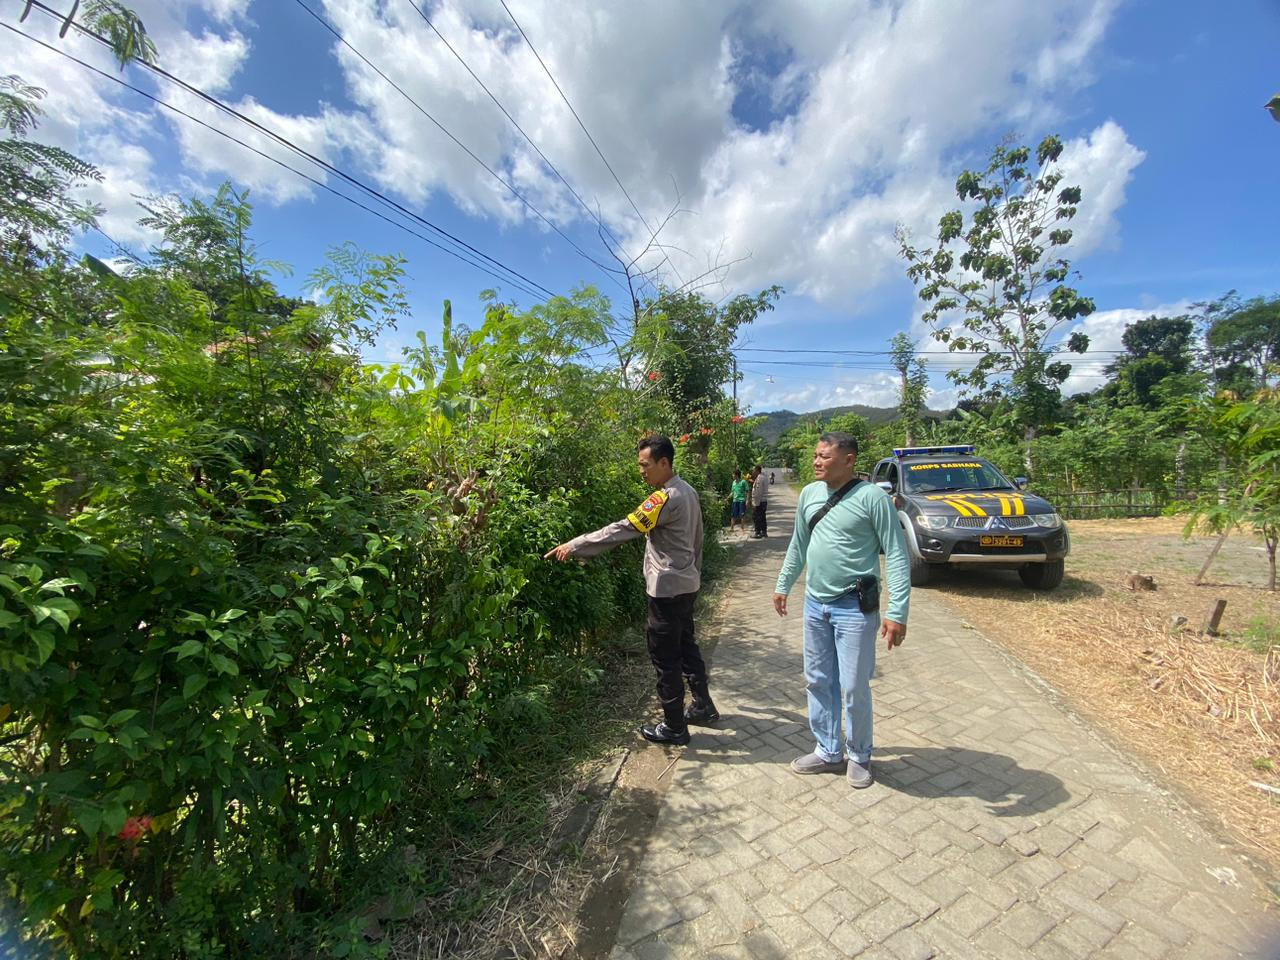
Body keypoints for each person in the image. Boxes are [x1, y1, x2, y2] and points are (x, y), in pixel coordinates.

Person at [545, 434, 717, 745]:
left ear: (664, 463)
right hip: (687, 584)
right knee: (687, 646)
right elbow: (698, 541)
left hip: (666, 590)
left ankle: (675, 727)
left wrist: (575, 545)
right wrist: (694, 575)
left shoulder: (664, 498)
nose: (641, 471)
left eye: (645, 465)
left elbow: (623, 528)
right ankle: (703, 705)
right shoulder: (688, 491)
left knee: (666, 657)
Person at [772, 432, 910, 788]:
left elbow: (895, 553)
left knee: (853, 686)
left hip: (854, 608)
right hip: (816, 604)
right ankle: (828, 750)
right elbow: (798, 544)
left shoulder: (872, 498)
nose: (817, 462)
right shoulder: (809, 494)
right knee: (818, 680)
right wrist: (783, 584)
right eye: (816, 455)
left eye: (825, 456)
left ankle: (860, 754)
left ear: (849, 460)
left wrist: (898, 611)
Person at [750, 464, 769, 538]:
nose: (753, 472)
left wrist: (755, 503)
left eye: (753, 470)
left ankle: (758, 532)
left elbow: (759, 491)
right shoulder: (761, 477)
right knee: (762, 517)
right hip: (762, 501)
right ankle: (763, 532)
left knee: (757, 517)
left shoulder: (760, 478)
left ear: (757, 470)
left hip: (759, 501)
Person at [729, 469, 750, 535]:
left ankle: (742, 528)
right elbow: (732, 492)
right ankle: (732, 528)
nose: (732, 475)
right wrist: (727, 498)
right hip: (735, 501)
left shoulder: (743, 482)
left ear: (736, 475)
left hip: (742, 501)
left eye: (733, 474)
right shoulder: (733, 482)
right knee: (733, 515)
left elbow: (747, 491)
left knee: (742, 515)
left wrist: (747, 500)